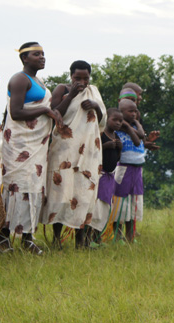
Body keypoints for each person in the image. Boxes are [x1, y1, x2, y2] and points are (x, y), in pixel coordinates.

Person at [0, 42, 62, 255]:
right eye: (36, 54)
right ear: (24, 58)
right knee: (17, 186)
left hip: (36, 145)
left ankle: (27, 237)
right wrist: (45, 109)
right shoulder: (19, 79)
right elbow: (15, 112)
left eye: (43, 54)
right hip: (20, 145)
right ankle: (3, 236)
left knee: (33, 187)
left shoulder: (38, 81)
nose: (42, 57)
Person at [41, 60, 107, 249]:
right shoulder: (62, 89)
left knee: (83, 193)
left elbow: (102, 121)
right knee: (61, 194)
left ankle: (80, 240)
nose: (82, 81)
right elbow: (54, 113)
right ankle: (56, 240)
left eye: (85, 78)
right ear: (71, 76)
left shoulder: (93, 92)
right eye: (77, 77)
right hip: (64, 150)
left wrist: (94, 105)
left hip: (88, 151)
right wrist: (71, 96)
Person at [113, 99, 145, 242]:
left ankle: (130, 236)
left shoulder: (136, 127)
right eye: (130, 111)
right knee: (120, 203)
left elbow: (142, 136)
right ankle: (118, 236)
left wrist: (136, 122)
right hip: (123, 168)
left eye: (135, 111)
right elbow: (137, 141)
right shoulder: (118, 128)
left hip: (137, 169)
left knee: (134, 202)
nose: (134, 113)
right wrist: (126, 126)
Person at [90, 108, 123, 243]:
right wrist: (105, 146)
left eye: (120, 121)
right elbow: (93, 152)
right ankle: (89, 237)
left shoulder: (117, 137)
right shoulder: (100, 134)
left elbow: (117, 158)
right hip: (100, 175)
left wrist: (119, 148)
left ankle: (97, 236)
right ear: (106, 118)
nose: (118, 123)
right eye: (114, 119)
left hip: (110, 177)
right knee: (96, 208)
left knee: (104, 209)